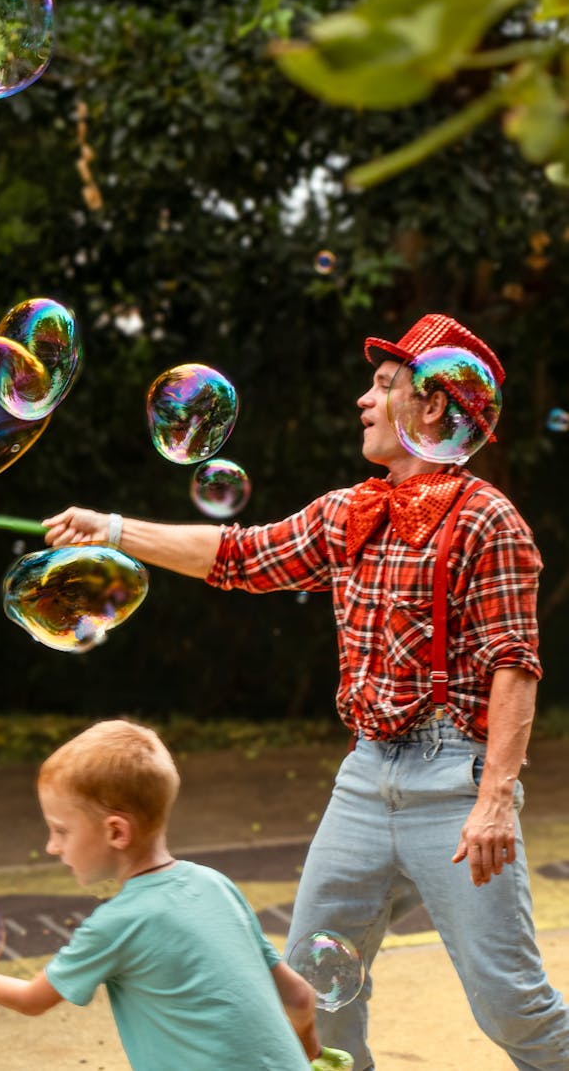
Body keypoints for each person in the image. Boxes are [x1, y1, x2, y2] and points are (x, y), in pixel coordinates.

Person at [43, 314, 569, 1071]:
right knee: (313, 990)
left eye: (382, 386)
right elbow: (237, 553)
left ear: (431, 408)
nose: (363, 398)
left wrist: (494, 798)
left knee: (508, 1000)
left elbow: (515, 664)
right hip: (364, 778)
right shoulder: (348, 512)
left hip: (455, 785)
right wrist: (112, 528)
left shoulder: (490, 520)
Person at [0, 719, 353, 1071]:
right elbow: (298, 995)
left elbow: (31, 999)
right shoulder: (214, 883)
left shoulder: (116, 923)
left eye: (60, 830)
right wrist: (308, 1052)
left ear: (116, 831)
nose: (51, 846)